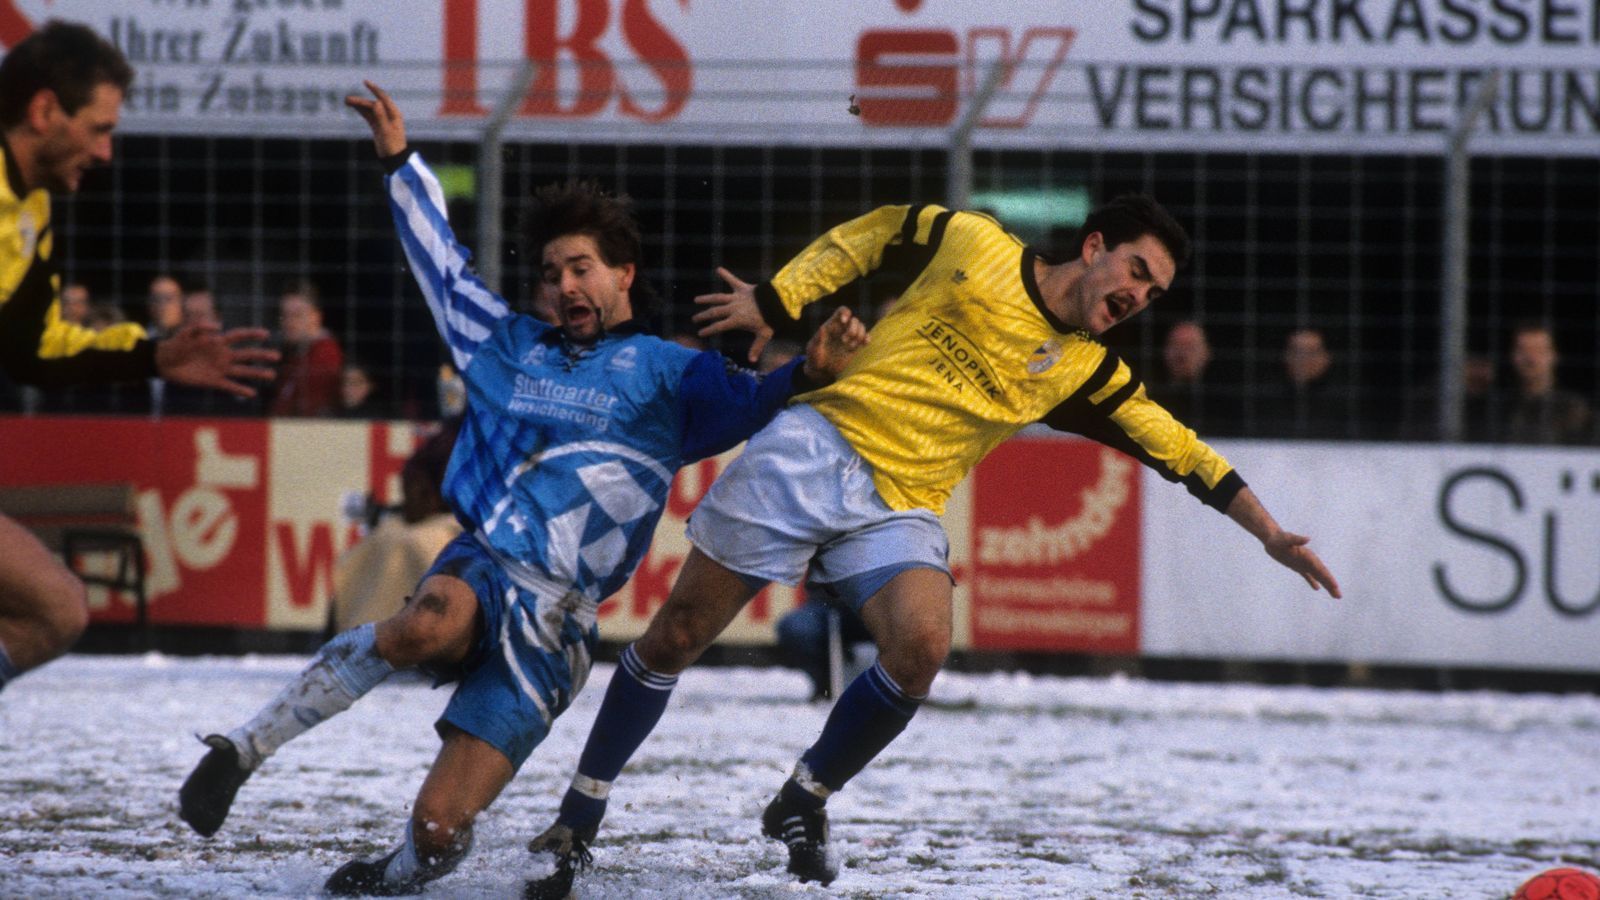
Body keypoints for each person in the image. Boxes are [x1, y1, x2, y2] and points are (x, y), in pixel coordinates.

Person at [525, 194, 1342, 894]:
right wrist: (779, 301)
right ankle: (580, 812)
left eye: (1154, 290)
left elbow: (1182, 451)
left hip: (902, 505)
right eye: (1134, 270)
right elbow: (876, 231)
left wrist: (1268, 531)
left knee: (921, 646)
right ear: (1094, 247)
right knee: (673, 637)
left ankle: (803, 798)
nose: (1139, 295)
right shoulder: (979, 243)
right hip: (815, 447)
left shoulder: (1087, 370)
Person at [175, 81, 866, 896]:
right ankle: (239, 751)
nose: (565, 285)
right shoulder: (502, 343)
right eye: (550, 272)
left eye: (582, 268)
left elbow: (751, 401)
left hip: (558, 628)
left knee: (438, 831)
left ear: (623, 276)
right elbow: (439, 262)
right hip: (484, 565)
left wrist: (809, 370)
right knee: (428, 621)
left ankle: (401, 870)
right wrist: (399, 160)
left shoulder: (668, 376)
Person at [0, 20, 276, 695]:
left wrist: (154, 358)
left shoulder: (31, 209)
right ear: (44, 112)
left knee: (55, 608)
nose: (106, 152)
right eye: (99, 128)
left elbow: (33, 348)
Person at [328, 418, 462, 632]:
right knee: (380, 542)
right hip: (439, 514)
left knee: (415, 544)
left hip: (475, 520)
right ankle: (366, 635)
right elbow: (418, 482)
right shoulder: (452, 438)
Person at [1501, 321, 1593, 445]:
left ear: (1554, 356)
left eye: (1539, 350)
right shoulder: (1500, 405)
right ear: (1512, 356)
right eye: (1523, 350)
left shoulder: (1573, 408)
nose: (1530, 358)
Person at [1254, 327, 1355, 439]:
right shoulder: (1262, 402)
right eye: (1296, 352)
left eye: (1312, 352)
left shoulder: (1348, 404)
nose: (1303, 359)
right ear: (1285, 356)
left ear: (1327, 358)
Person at [266, 279, 344, 416]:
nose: (289, 322)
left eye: (297, 315)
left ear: (316, 317)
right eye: (284, 315)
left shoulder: (324, 356)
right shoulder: (297, 354)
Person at [1146, 319, 1230, 434]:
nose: (1182, 353)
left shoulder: (1225, 405)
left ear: (1207, 352)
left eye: (1191, 346)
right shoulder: (1148, 399)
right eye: (1175, 345)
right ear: (1164, 351)